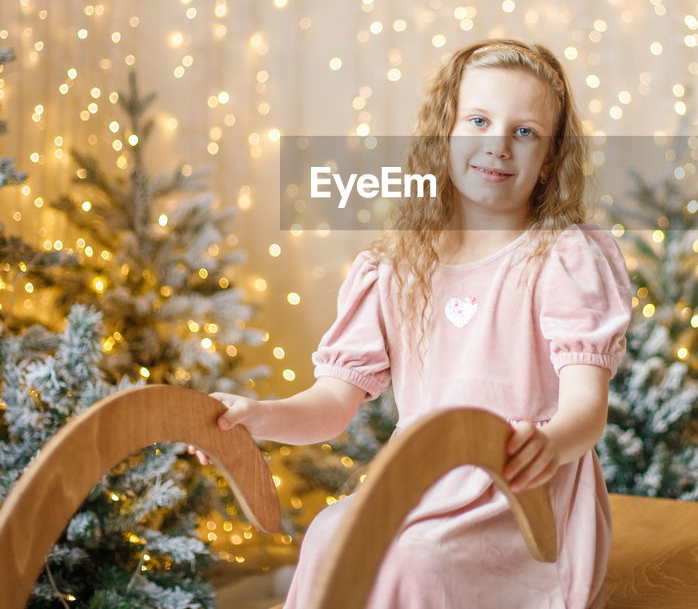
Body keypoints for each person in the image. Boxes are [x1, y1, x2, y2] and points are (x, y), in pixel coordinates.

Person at [202, 39, 631, 607]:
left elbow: (586, 407)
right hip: (421, 486)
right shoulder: (395, 268)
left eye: (525, 131)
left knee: (417, 559)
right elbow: (332, 403)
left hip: (524, 499)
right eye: (477, 120)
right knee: (330, 536)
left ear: (550, 157)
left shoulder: (561, 257)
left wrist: (550, 443)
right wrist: (260, 416)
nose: (497, 145)